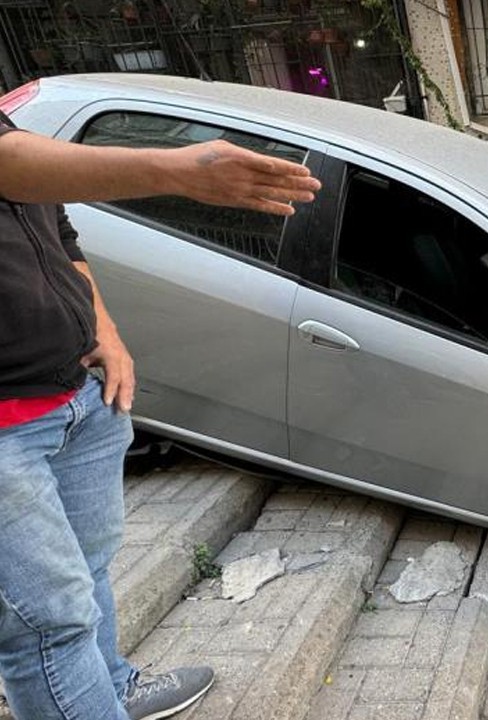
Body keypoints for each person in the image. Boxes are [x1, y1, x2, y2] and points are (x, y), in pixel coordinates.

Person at [0, 109, 320, 720]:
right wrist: (174, 169)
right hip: (5, 427)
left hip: (76, 396)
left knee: (86, 574)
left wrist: (106, 331)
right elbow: (9, 168)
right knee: (47, 624)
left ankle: (112, 688)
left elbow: (56, 228)